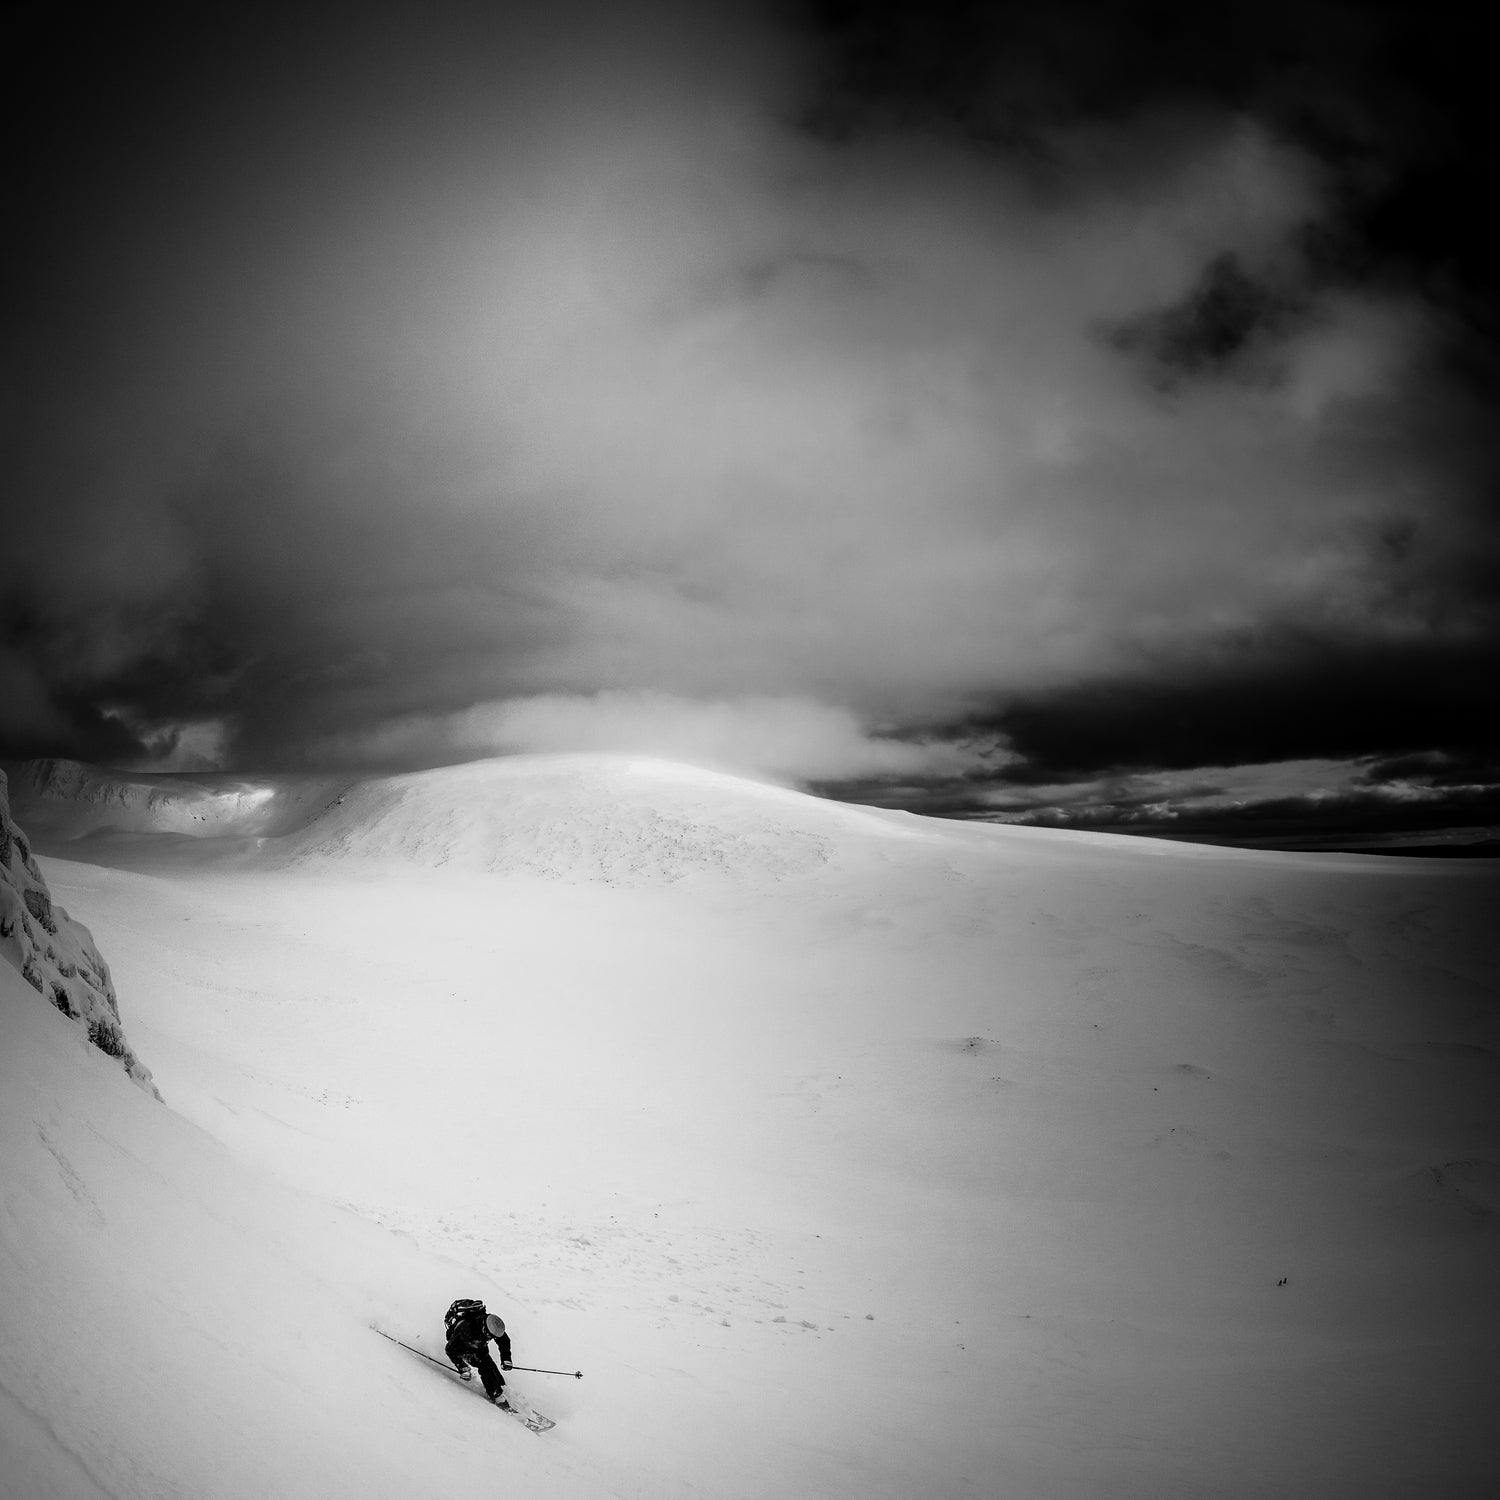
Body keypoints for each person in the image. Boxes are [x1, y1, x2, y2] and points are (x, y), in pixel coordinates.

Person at [444, 1299, 514, 1407]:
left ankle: (501, 1387)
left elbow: (503, 1340)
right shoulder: (464, 1330)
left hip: (479, 1347)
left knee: (490, 1365)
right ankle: (496, 1396)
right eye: (490, 1336)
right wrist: (462, 1367)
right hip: (464, 1349)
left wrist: (506, 1359)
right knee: (484, 1366)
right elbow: (450, 1349)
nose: (491, 1338)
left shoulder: (491, 1324)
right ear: (485, 1330)